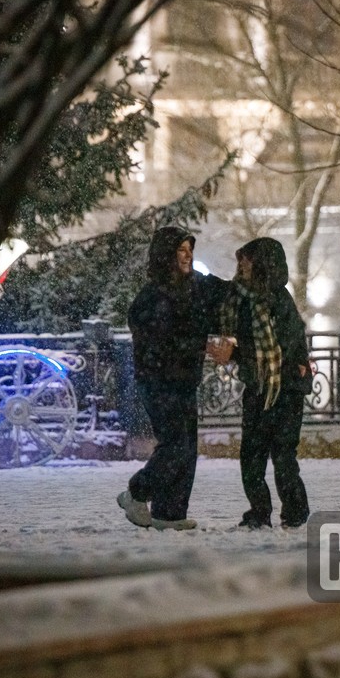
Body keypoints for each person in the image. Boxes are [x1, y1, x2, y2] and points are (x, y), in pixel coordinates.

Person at [118, 226, 221, 531]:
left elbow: (226, 295)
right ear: (166, 255)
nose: (188, 256)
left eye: (190, 250)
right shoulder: (151, 297)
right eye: (181, 250)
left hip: (185, 380)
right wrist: (201, 344)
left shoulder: (196, 287)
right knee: (176, 445)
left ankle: (169, 513)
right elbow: (160, 341)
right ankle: (136, 492)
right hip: (158, 381)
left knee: (187, 449)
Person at [218, 237, 312, 529]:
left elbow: (282, 346)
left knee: (283, 457)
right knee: (251, 456)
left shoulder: (278, 300)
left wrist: (236, 352)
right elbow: (249, 345)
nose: (242, 265)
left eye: (247, 260)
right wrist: (232, 352)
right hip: (258, 387)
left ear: (262, 264)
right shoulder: (239, 299)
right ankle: (259, 512)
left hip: (287, 389)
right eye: (241, 260)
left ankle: (295, 512)